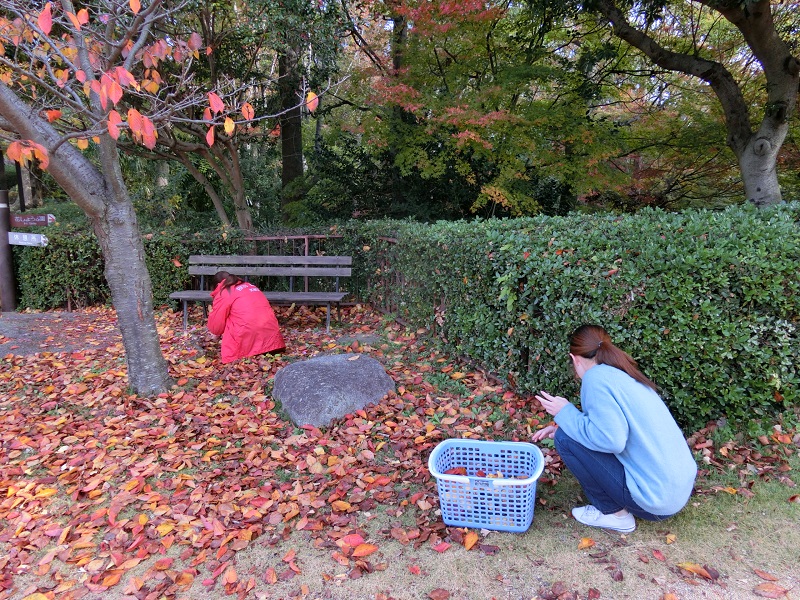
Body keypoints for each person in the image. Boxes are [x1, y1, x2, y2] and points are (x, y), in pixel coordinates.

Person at [532, 324, 697, 533]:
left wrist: (564, 412)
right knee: (565, 434)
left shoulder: (595, 379)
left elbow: (611, 441)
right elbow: (610, 428)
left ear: (574, 359)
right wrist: (567, 423)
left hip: (656, 502)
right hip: (674, 492)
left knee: (565, 439)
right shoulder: (622, 374)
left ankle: (615, 515)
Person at [207, 271, 286, 363]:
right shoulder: (251, 286)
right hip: (272, 341)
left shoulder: (225, 292)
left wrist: (215, 333)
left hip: (246, 341)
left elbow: (216, 327)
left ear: (217, 284)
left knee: (229, 315)